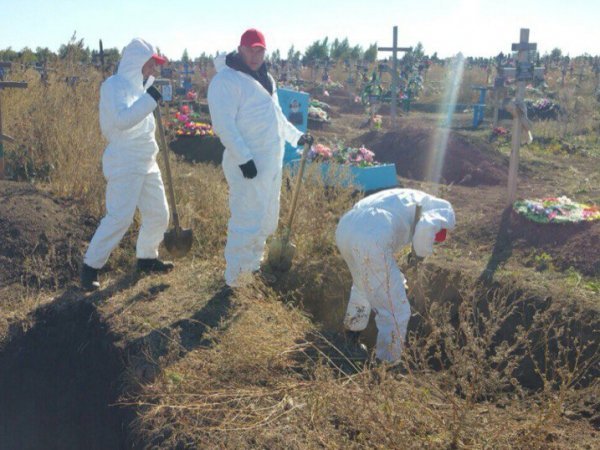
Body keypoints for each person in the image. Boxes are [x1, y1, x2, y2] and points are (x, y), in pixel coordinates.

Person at [207, 28, 312, 288]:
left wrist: (295, 136)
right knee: (246, 219)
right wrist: (244, 158)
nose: (255, 55)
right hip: (248, 164)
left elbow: (276, 116)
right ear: (240, 49)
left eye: (260, 50)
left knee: (265, 218)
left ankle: (252, 268)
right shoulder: (226, 81)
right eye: (250, 50)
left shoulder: (266, 78)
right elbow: (223, 124)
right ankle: (236, 280)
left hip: (270, 162)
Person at [81, 38, 173, 291]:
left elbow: (143, 122)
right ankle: (90, 267)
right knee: (120, 217)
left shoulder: (141, 88)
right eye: (151, 64)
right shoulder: (114, 86)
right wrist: (150, 99)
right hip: (124, 159)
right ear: (136, 61)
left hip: (146, 159)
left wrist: (149, 95)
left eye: (155, 65)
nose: (153, 69)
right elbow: (122, 120)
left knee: (159, 214)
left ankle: (147, 257)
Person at [335, 189, 456, 362]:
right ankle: (387, 364)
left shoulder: (409, 198)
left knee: (362, 286)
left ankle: (351, 339)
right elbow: (425, 228)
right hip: (372, 232)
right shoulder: (444, 209)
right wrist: (419, 255)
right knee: (396, 310)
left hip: (346, 227)